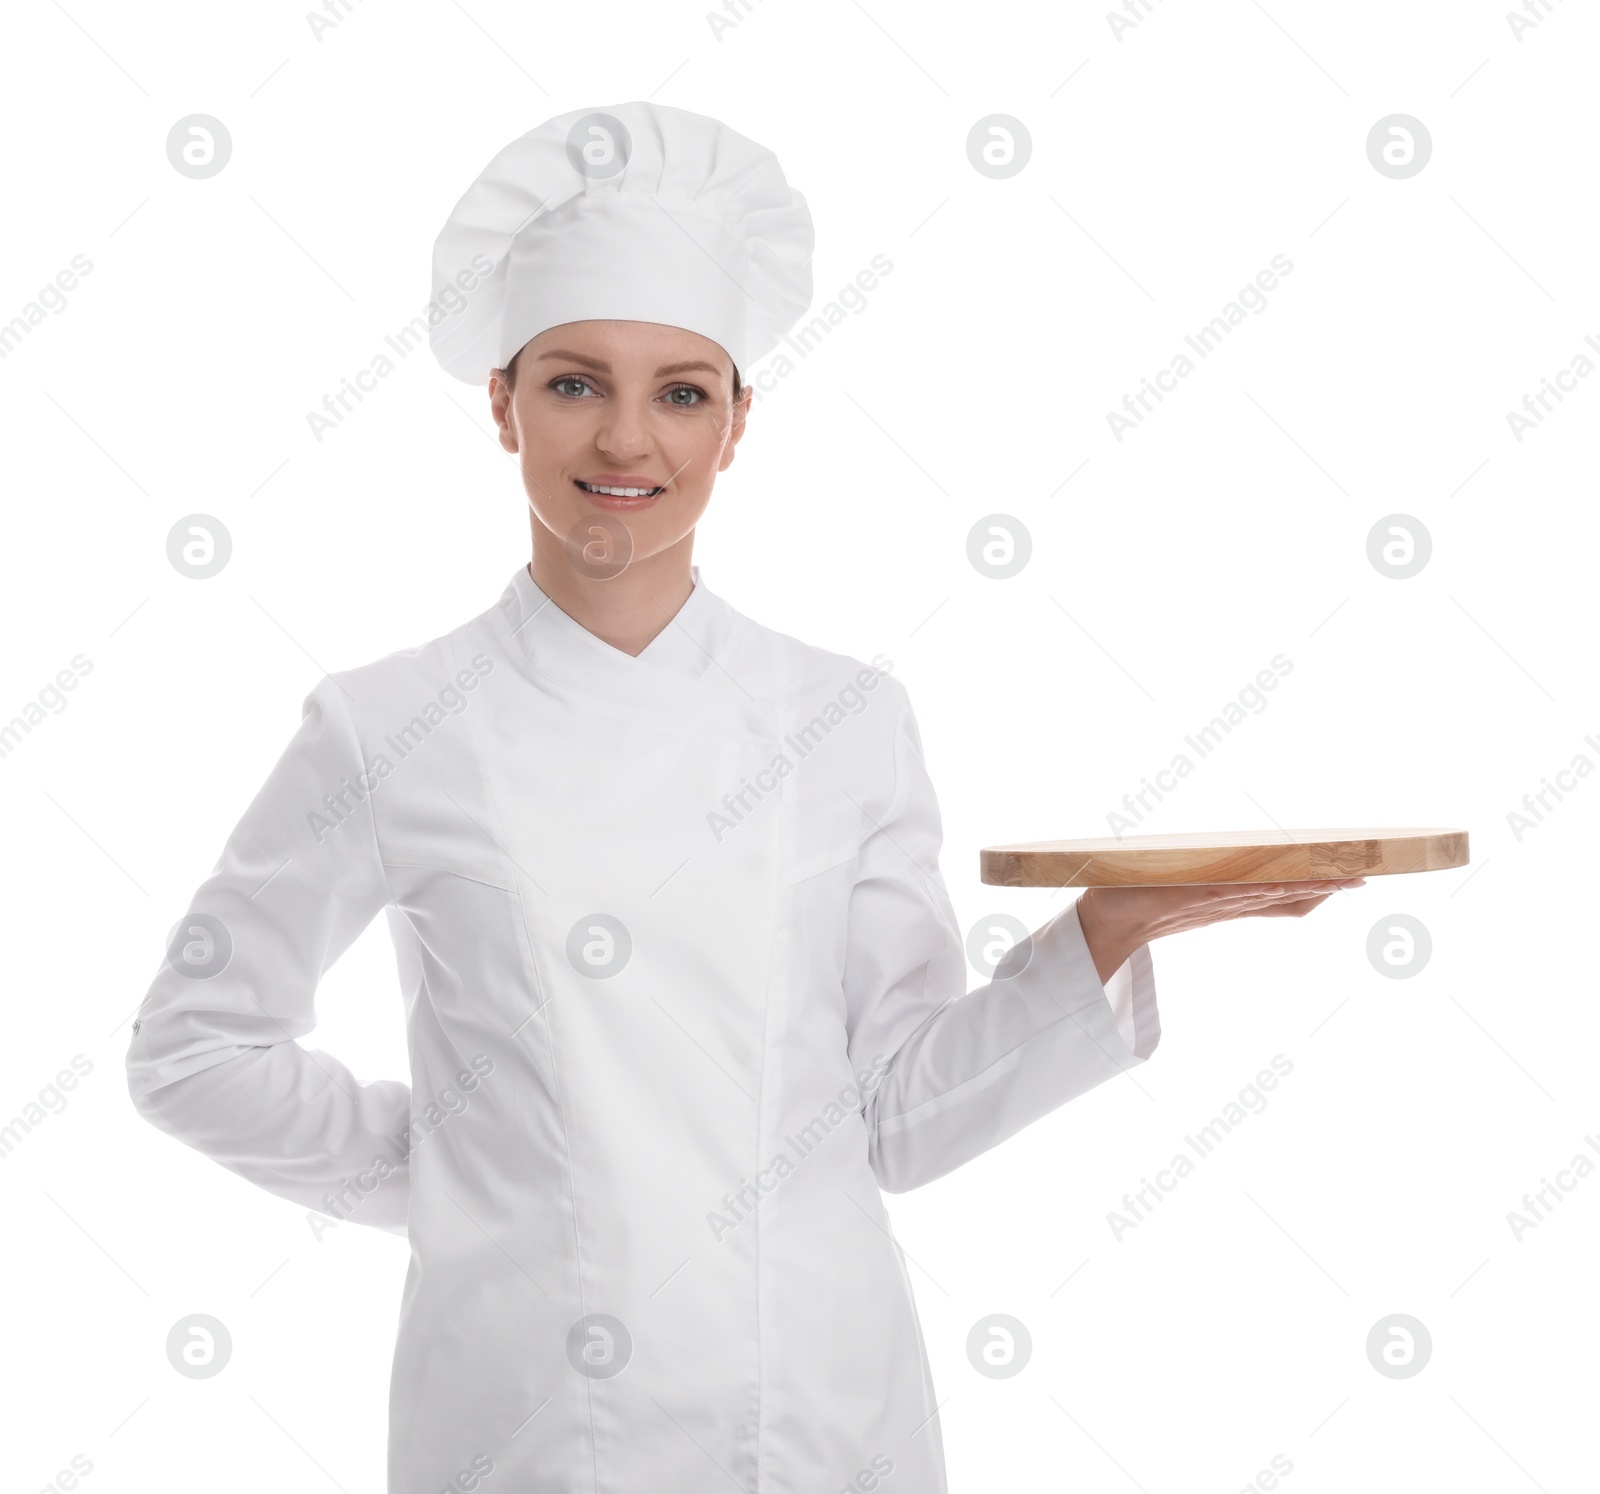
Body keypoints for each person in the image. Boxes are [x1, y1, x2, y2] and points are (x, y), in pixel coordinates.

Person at [126, 101, 1359, 1493]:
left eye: (683, 391)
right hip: (524, 1420)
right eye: (577, 382)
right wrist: (466, 1175)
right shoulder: (386, 724)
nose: (628, 440)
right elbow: (193, 1048)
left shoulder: (844, 720)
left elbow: (893, 1119)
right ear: (502, 403)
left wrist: (1108, 932)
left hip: (828, 1413)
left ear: (739, 422)